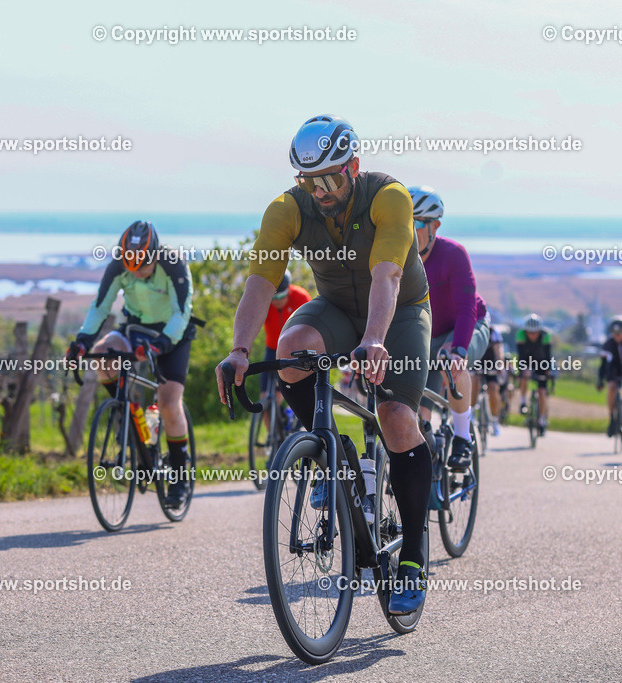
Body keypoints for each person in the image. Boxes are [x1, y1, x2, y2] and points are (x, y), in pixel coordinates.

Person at [214, 115, 433, 615]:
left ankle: (415, 557)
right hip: (335, 306)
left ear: (353, 166)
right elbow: (260, 282)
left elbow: (388, 274)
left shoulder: (388, 196)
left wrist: (375, 340)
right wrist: (239, 351)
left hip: (398, 310)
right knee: (292, 350)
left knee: (397, 418)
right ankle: (331, 448)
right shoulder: (286, 209)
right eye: (310, 181)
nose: (322, 191)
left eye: (331, 178)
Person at [68, 221, 197, 508]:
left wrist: (162, 344)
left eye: (142, 267)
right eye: (131, 266)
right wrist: (82, 342)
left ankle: (179, 477)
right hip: (136, 328)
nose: (136, 272)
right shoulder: (118, 265)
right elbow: (101, 306)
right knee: (102, 356)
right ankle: (125, 413)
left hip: (172, 335)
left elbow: (182, 311)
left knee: (168, 401)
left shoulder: (173, 264)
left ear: (154, 255)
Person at [410, 185, 490, 469]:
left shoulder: (453, 254)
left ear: (435, 226)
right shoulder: (399, 259)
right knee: (415, 412)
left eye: (417, 223)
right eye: (404, 222)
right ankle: (424, 456)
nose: (410, 230)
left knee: (452, 364)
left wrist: (457, 349)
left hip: (468, 324)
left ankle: (462, 436)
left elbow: (466, 309)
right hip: (427, 337)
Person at [260, 271, 310, 428]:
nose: (277, 302)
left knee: (287, 393)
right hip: (272, 349)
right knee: (264, 401)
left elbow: (310, 327)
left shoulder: (301, 297)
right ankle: (273, 442)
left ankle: (292, 421)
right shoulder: (264, 301)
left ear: (288, 290)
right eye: (274, 298)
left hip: (295, 350)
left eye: (281, 297)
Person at [516, 314, 553, 436]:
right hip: (526, 360)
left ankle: (542, 420)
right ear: (526, 331)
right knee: (524, 377)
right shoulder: (521, 335)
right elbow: (520, 356)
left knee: (542, 392)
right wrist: (523, 370)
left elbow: (548, 356)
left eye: (535, 332)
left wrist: (548, 372)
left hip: (542, 363)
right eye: (530, 332)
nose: (532, 335)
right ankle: (522, 402)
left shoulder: (545, 335)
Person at [597, 316, 622, 436]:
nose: (617, 336)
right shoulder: (608, 344)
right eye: (615, 333)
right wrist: (600, 380)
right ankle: (612, 418)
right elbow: (602, 364)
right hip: (613, 370)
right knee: (611, 387)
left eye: (620, 333)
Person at [476, 326, 507, 436]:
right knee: (474, 381)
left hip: (491, 364)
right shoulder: (474, 328)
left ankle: (494, 420)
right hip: (476, 362)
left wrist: (500, 365)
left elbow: (499, 350)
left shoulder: (494, 332)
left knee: (493, 389)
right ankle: (471, 414)